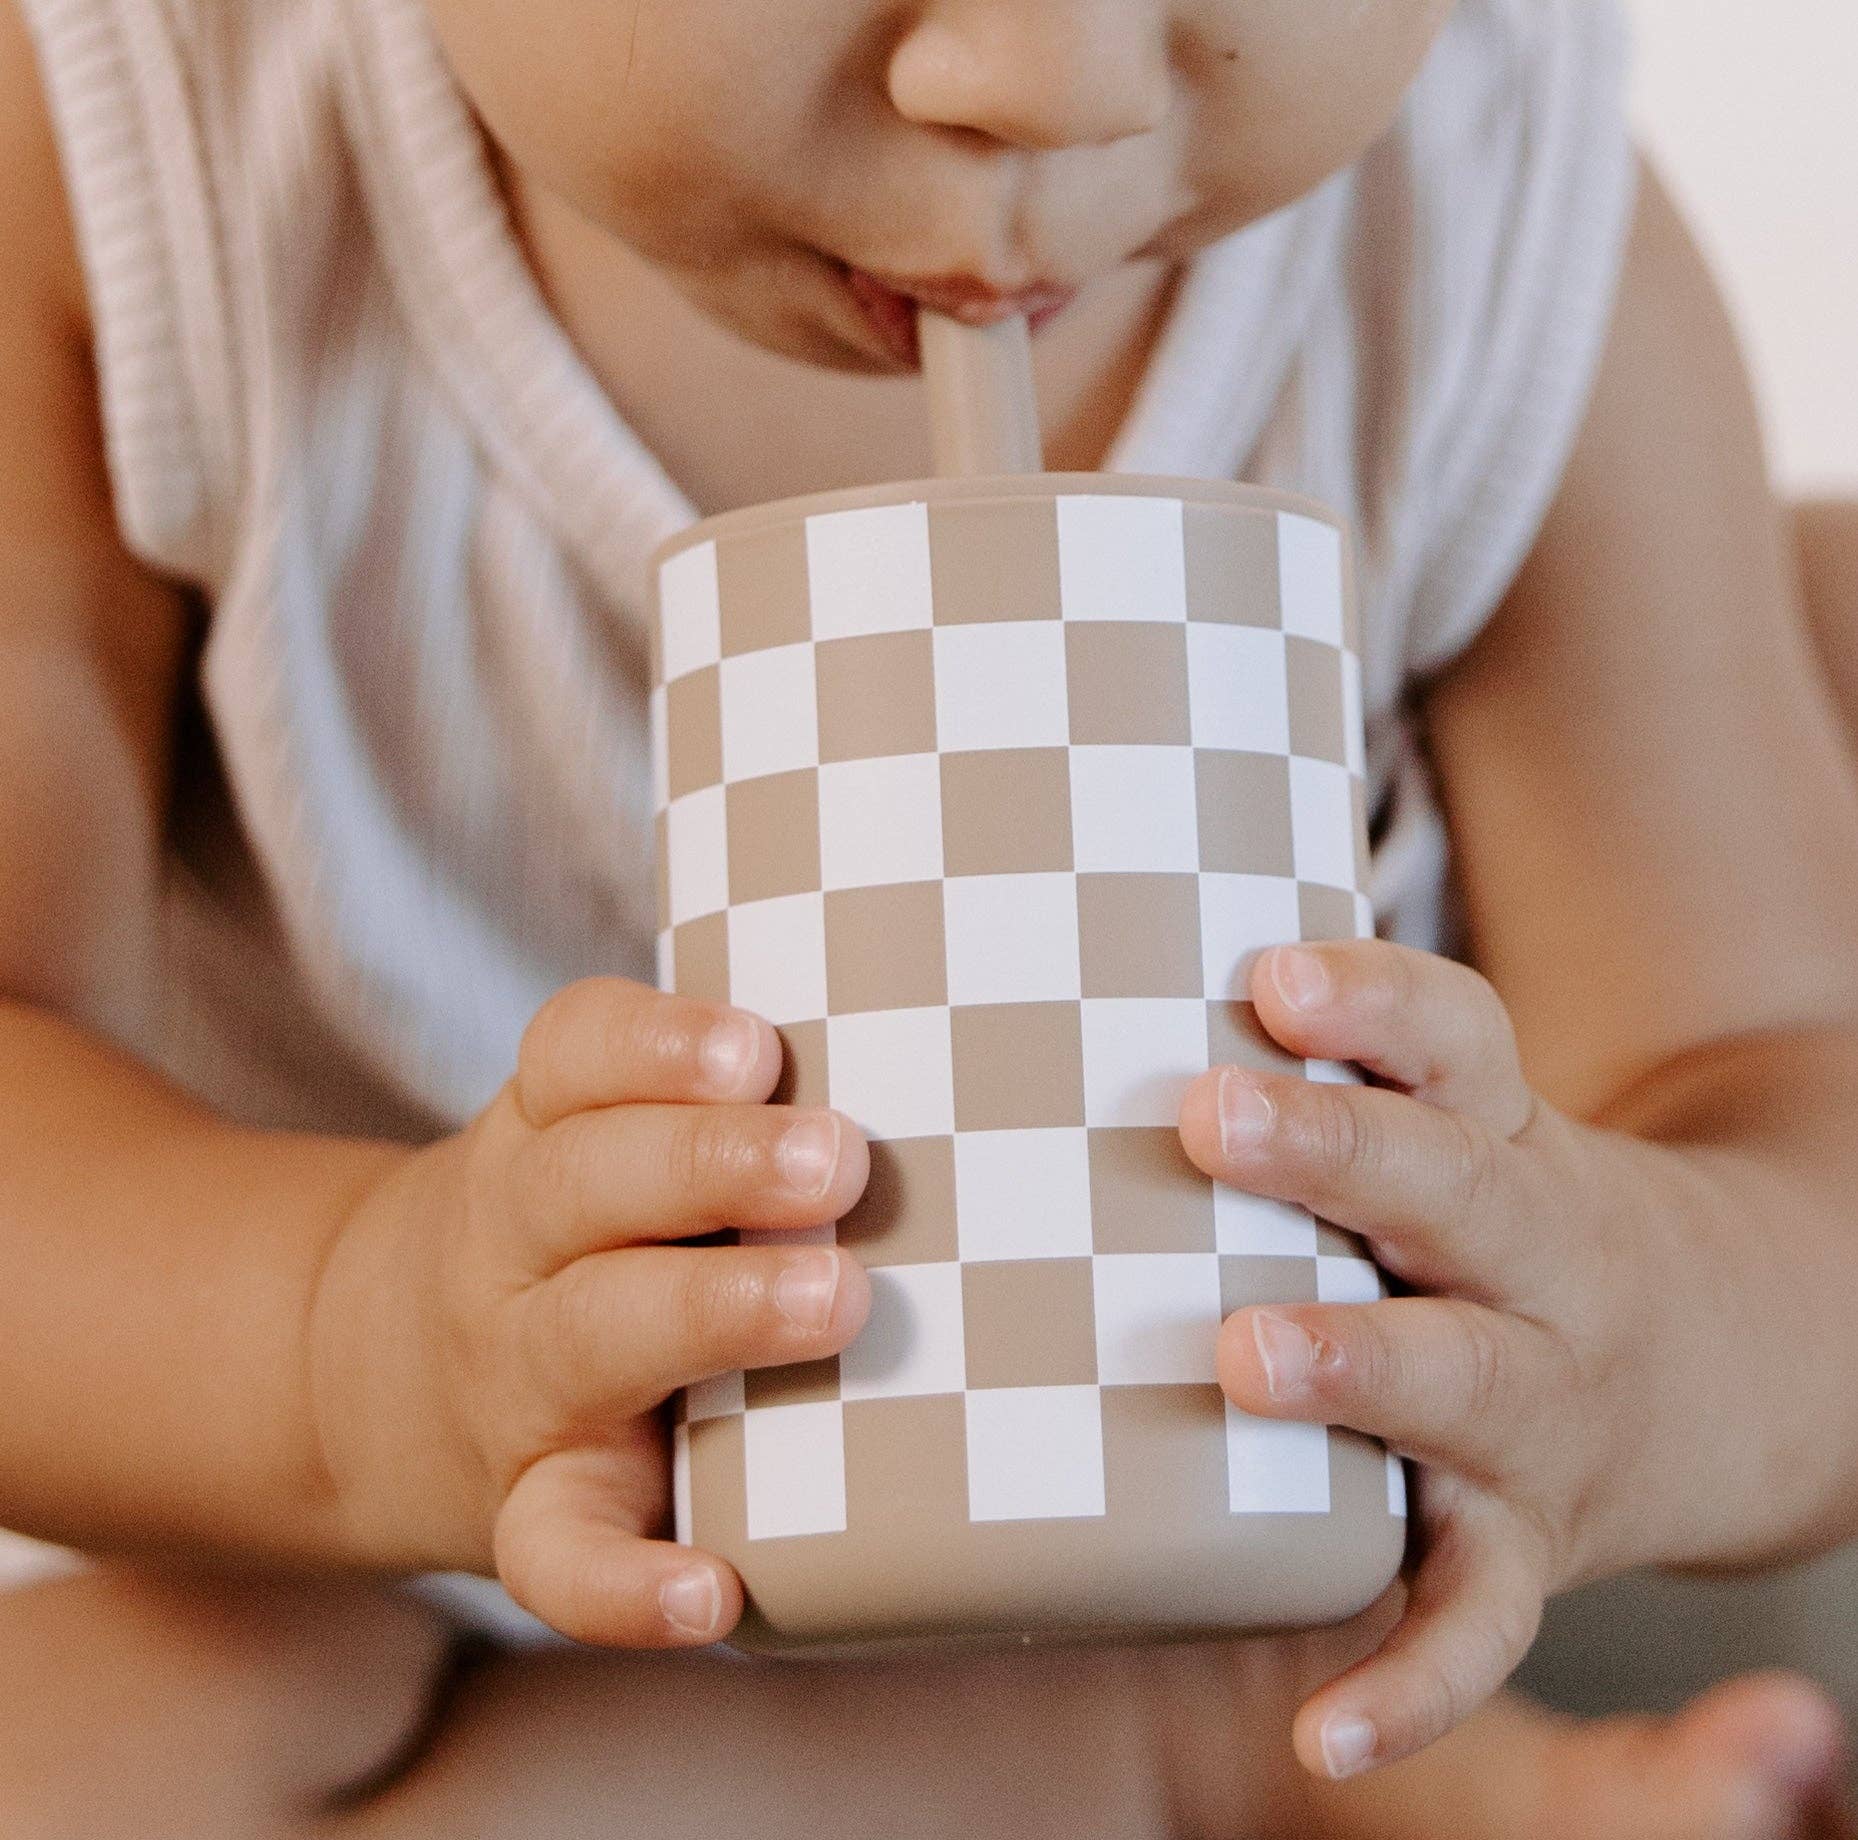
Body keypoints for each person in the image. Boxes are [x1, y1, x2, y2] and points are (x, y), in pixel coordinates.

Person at [0, 0, 1855, 1833]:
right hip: (403, 1574)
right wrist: (366, 1353)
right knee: (104, 1740)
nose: (1044, 80)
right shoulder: (133, 160)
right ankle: (1176, 1767)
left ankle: (1230, 1730)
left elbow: (1777, 1111)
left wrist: (1629, 1327)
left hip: (1285, 1527)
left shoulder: (1490, 236)